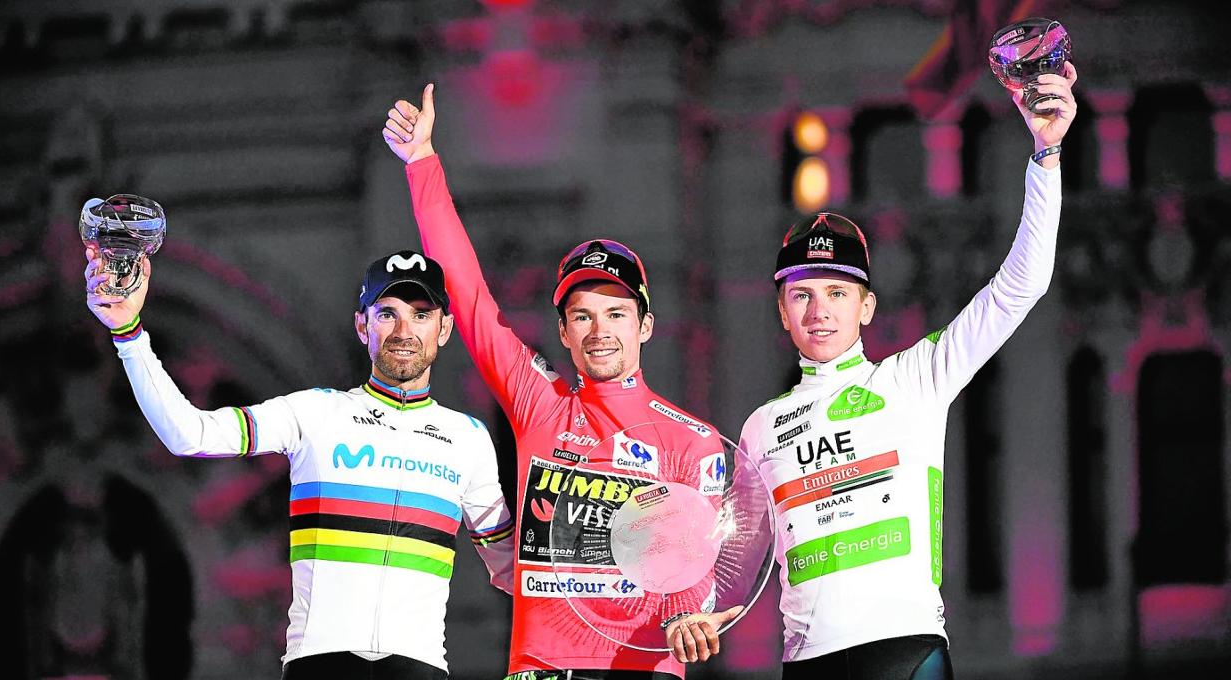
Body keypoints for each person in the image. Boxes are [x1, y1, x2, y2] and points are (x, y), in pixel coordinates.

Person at [382, 85, 740, 679]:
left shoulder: (693, 440)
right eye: (582, 316)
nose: (600, 331)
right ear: (563, 334)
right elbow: (467, 295)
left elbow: (694, 570)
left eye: (616, 313)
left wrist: (688, 618)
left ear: (646, 326)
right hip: (540, 668)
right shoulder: (540, 404)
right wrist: (422, 162)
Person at [739, 63, 1079, 679]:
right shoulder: (760, 427)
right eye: (801, 296)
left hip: (907, 652)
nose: (819, 312)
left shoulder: (915, 378)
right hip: (806, 664)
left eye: (837, 294)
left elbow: (1021, 286)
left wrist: (1046, 154)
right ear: (782, 312)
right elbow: (734, 558)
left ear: (867, 307)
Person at [84, 246, 515, 679]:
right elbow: (189, 434)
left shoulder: (468, 439)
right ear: (362, 325)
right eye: (387, 313)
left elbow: (511, 568)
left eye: (421, 314)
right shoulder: (314, 413)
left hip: (419, 669)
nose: (404, 330)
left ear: (445, 328)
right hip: (320, 666)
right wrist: (129, 335)